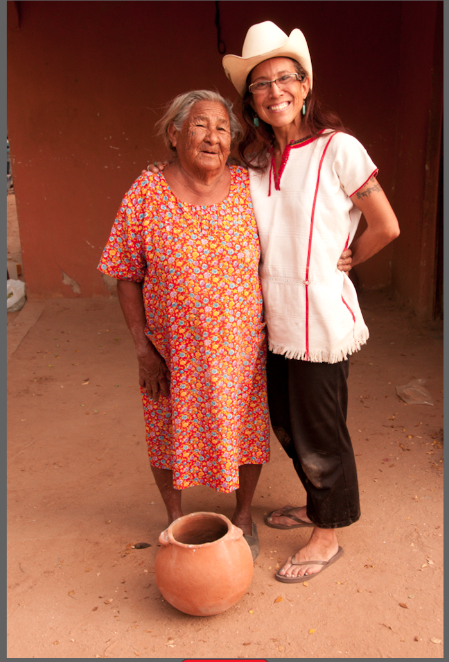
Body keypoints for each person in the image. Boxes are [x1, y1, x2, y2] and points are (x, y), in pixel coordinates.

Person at [222, 21, 400, 582]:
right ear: (249, 99)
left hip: (318, 321)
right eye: (260, 84)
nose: (274, 92)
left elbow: (385, 225)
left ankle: (326, 534)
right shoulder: (251, 162)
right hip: (270, 321)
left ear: (304, 85)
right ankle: (317, 503)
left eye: (284, 79)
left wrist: (348, 257)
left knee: (321, 434)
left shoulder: (338, 148)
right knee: (287, 425)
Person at [98, 90, 271, 561]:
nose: (213, 136)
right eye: (200, 125)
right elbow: (126, 274)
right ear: (174, 134)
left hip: (241, 349)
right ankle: (175, 517)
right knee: (165, 431)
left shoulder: (246, 186)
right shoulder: (146, 192)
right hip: (171, 352)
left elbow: (292, 235)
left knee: (248, 430)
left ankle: (242, 514)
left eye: (222, 128)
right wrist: (143, 350)